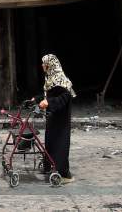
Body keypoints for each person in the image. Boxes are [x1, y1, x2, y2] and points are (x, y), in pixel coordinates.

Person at [38, 53, 75, 184]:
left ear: (50, 65)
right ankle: (50, 166)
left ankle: (63, 173)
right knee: (50, 142)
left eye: (44, 63)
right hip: (53, 118)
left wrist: (49, 103)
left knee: (60, 144)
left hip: (61, 120)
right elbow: (50, 94)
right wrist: (37, 99)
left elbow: (64, 98)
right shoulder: (51, 78)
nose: (42, 65)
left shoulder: (61, 79)